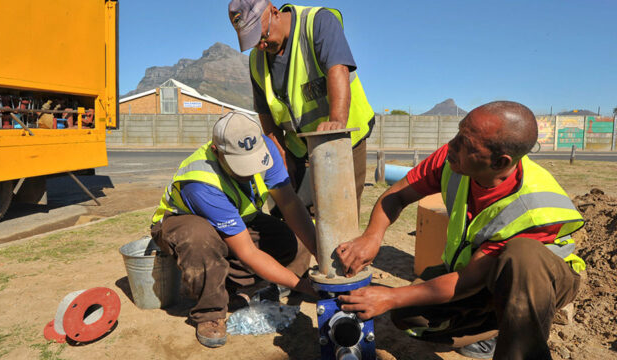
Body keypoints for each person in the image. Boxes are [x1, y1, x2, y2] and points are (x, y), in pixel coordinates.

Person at [335, 101, 586, 359]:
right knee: (409, 315)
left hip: (544, 278)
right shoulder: (454, 159)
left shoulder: (533, 210)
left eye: (466, 143)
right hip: (479, 272)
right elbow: (396, 196)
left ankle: (520, 336)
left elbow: (467, 282)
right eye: (458, 133)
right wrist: (371, 237)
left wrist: (390, 296)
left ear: (500, 162)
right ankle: (500, 324)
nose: (451, 145)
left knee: (522, 256)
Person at [150, 111, 318, 348]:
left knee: (294, 241)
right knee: (200, 241)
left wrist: (320, 253)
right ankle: (210, 312)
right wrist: (302, 286)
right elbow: (247, 252)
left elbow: (289, 202)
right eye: (241, 166)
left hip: (235, 220)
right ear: (217, 152)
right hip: (184, 223)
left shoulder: (266, 147)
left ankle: (240, 286)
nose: (250, 172)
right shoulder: (200, 182)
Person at [227, 0, 375, 211]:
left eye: (262, 36)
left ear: (275, 13)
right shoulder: (257, 60)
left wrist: (336, 122)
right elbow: (266, 114)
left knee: (340, 211)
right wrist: (281, 156)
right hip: (299, 146)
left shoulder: (317, 22)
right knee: (301, 212)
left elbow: (338, 69)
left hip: (344, 139)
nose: (260, 46)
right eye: (253, 41)